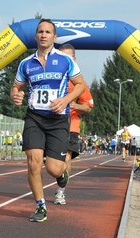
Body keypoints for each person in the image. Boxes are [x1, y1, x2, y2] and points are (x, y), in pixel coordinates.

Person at [10, 18, 86, 222]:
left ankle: (61, 175)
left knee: (53, 168)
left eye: (48, 32)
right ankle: (40, 205)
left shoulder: (65, 60)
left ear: (55, 37)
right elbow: (16, 87)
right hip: (35, 117)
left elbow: (80, 85)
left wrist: (65, 100)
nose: (44, 35)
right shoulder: (26, 63)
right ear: (36, 36)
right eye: (40, 32)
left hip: (58, 119)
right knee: (34, 162)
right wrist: (15, 95)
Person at [54, 43, 94, 205]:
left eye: (68, 57)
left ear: (74, 60)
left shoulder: (79, 82)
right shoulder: (51, 77)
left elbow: (88, 106)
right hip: (50, 123)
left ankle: (60, 192)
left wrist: (70, 104)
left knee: (66, 158)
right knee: (50, 163)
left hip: (71, 125)